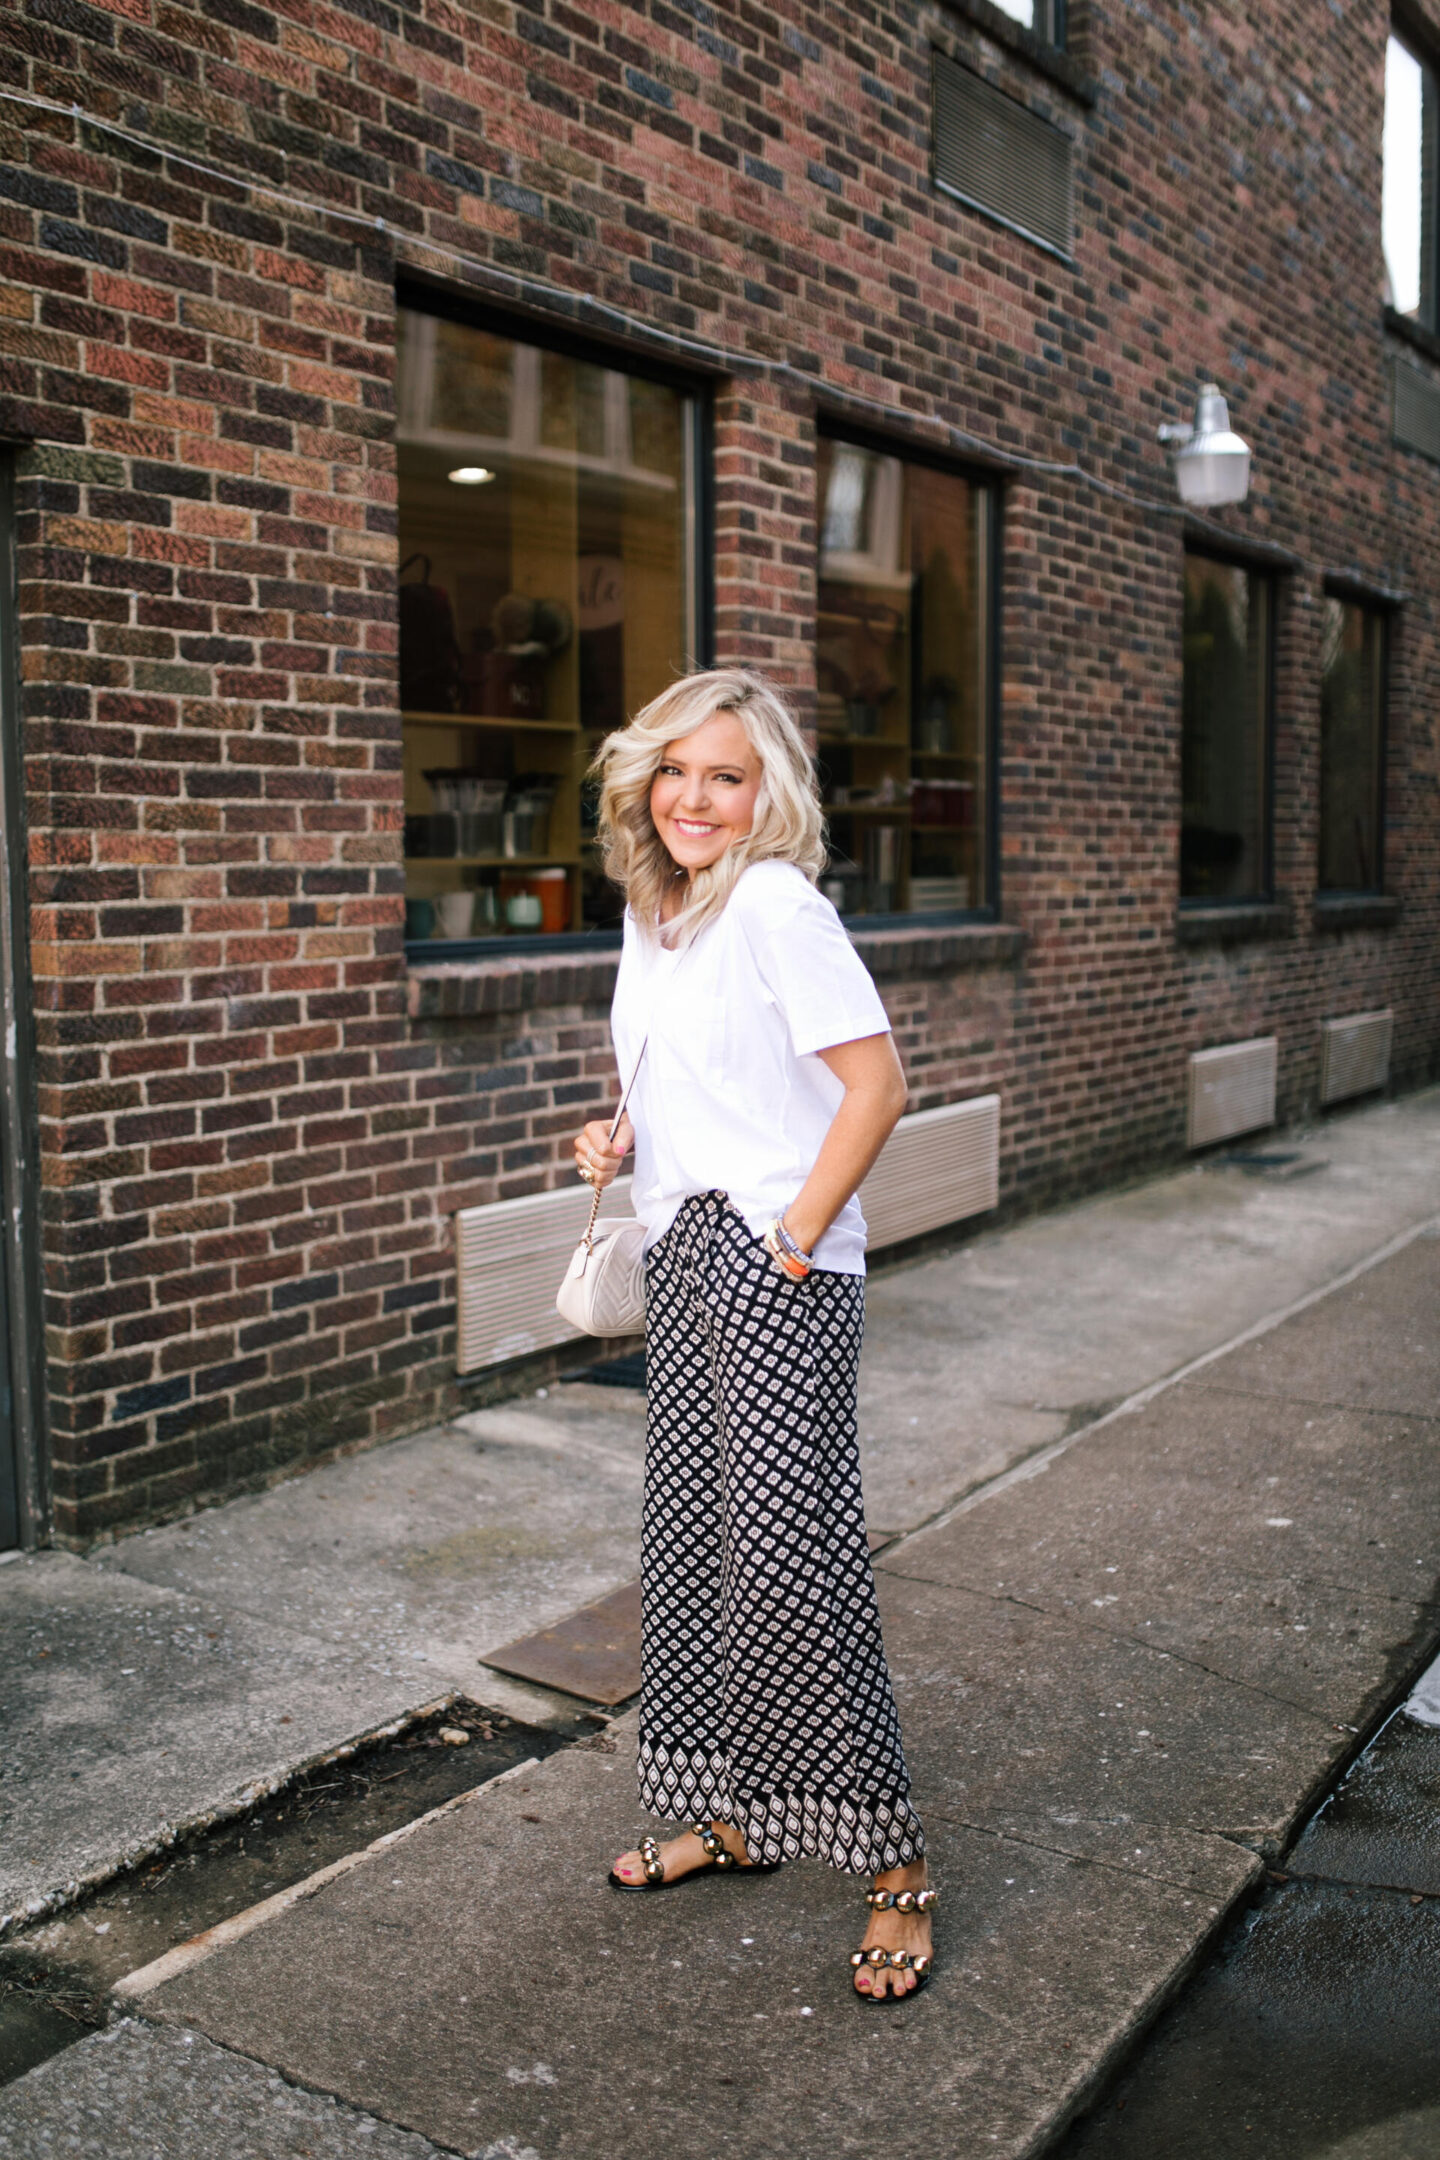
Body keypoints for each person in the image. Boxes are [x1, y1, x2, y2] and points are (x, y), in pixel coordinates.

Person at [571, 667, 936, 2001]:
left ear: (766, 792)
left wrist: (793, 1238)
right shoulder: (654, 914)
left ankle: (894, 1869)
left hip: (771, 1265)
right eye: (675, 770)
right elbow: (691, 1075)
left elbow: (877, 1084)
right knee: (700, 1554)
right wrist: (620, 1133)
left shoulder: (780, 905)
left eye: (726, 775)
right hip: (682, 1250)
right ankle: (735, 1816)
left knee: (794, 1570)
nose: (695, 797)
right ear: (642, 783)